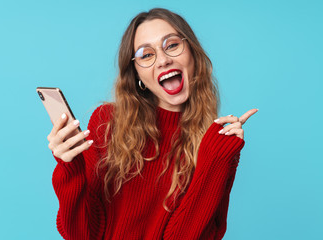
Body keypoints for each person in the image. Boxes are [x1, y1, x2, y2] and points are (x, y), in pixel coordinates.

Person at [47, 8, 257, 240]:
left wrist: (216, 160)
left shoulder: (215, 143)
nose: (164, 60)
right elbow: (81, 234)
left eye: (172, 45)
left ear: (193, 54)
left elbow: (201, 235)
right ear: (137, 73)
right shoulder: (107, 122)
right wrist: (70, 168)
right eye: (146, 55)